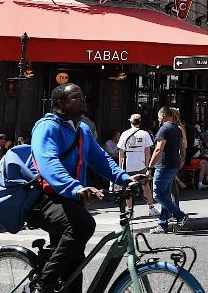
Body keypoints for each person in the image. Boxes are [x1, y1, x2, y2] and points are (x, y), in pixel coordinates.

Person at [25, 84, 138, 293]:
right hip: (43, 199)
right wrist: (74, 187)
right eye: (76, 97)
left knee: (75, 266)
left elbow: (101, 159)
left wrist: (126, 178)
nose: (83, 99)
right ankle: (43, 285)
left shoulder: (83, 129)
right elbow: (48, 162)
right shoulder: (47, 127)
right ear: (61, 104)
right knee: (83, 225)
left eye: (82, 95)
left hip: (69, 200)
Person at [147, 106, 188, 234]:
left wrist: (150, 167)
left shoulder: (164, 129)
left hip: (164, 166)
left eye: (159, 116)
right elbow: (182, 146)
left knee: (158, 194)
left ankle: (180, 215)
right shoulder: (177, 128)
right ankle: (162, 224)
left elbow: (158, 149)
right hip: (174, 165)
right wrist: (181, 159)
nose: (158, 119)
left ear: (164, 115)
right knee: (165, 195)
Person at [117, 114, 157, 216]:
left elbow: (121, 151)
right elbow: (147, 151)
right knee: (146, 186)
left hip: (128, 164)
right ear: (140, 122)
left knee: (128, 188)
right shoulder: (145, 134)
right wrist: (148, 165)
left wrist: (120, 166)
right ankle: (151, 208)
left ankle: (130, 211)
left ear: (130, 122)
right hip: (141, 164)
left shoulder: (125, 134)